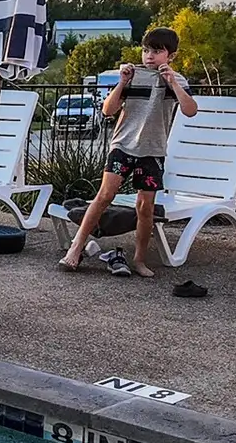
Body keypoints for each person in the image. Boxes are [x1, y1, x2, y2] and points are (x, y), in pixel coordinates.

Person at [58, 27, 198, 277]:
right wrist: (122, 82)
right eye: (146, 50)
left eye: (156, 51)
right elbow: (107, 110)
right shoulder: (133, 76)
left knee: (145, 207)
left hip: (152, 151)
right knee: (104, 195)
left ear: (171, 56)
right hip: (122, 145)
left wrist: (173, 82)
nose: (149, 56)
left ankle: (139, 260)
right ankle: (76, 248)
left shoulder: (177, 80)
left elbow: (190, 110)